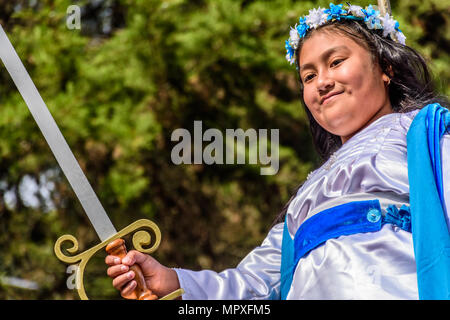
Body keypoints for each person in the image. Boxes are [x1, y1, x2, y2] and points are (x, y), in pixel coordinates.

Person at [105, 3, 450, 300]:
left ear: (386, 68)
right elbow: (252, 287)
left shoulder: (426, 135)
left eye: (336, 62)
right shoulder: (308, 195)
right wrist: (173, 281)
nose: (322, 82)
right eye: (309, 75)